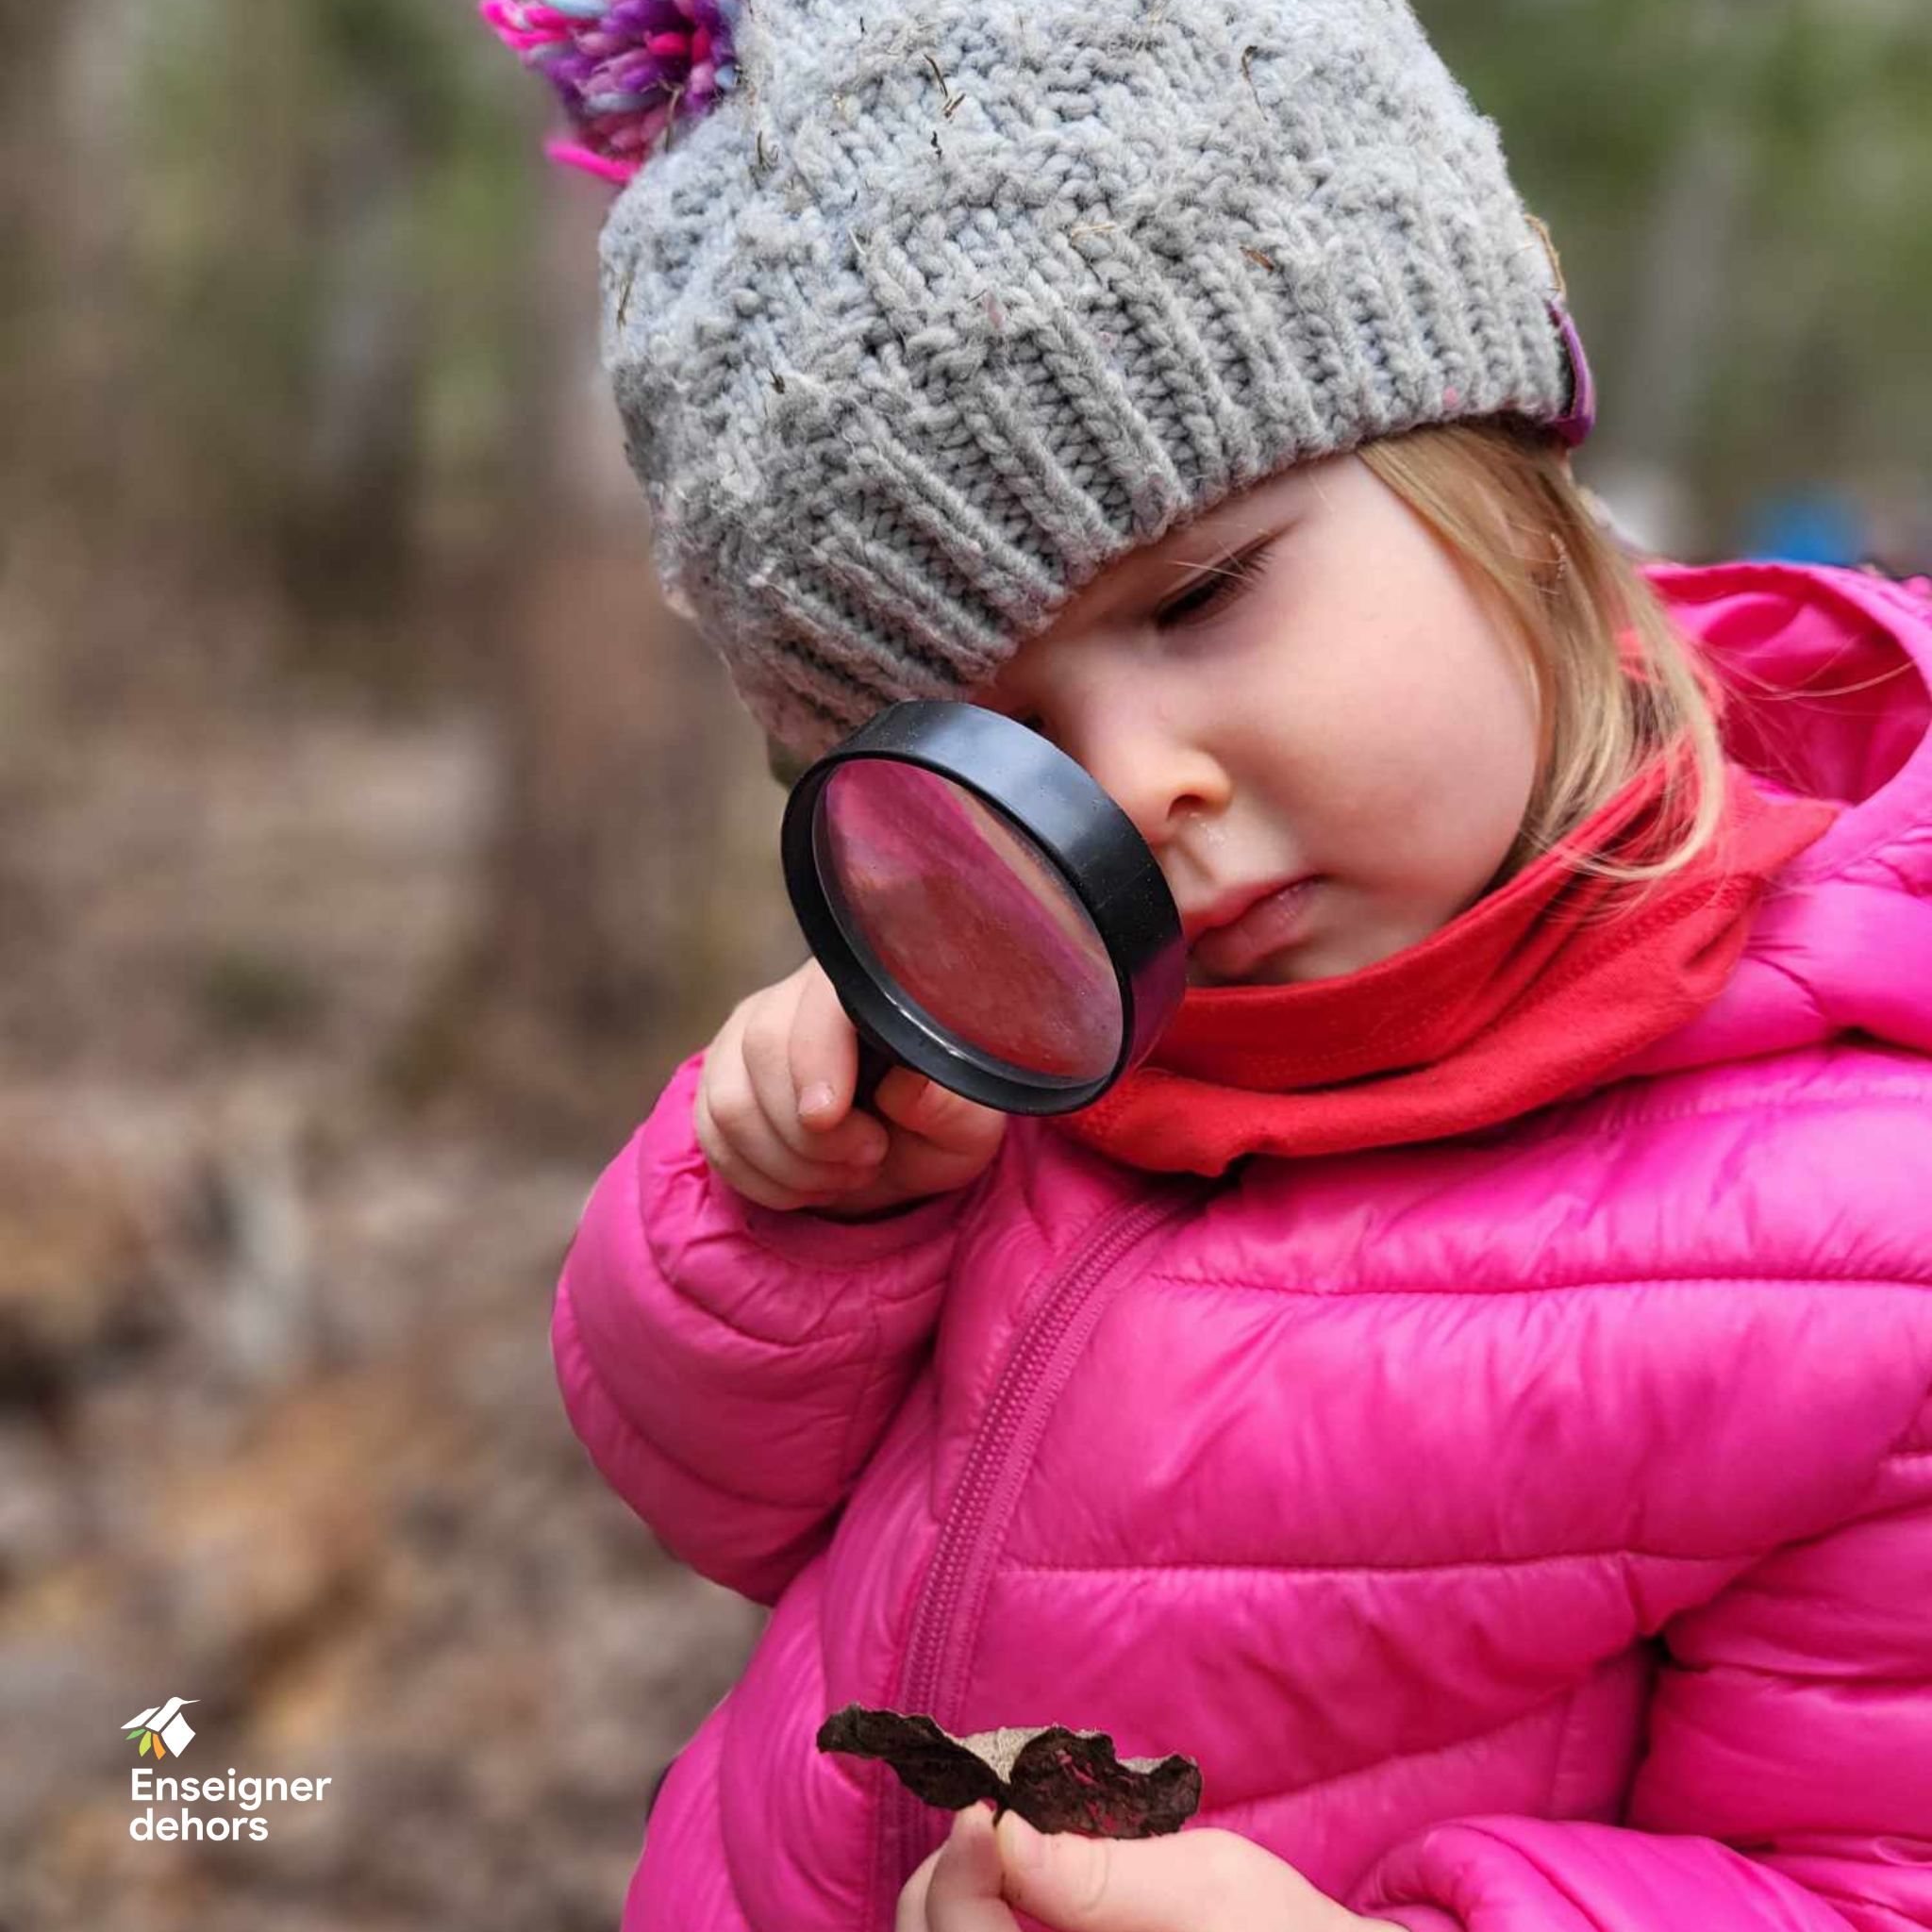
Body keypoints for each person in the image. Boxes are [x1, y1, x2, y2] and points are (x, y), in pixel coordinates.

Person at [483, 3, 1932, 1927]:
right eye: (980, 745)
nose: (1129, 796)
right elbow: (725, 1497)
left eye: (1200, 595)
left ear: (1490, 476)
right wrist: (791, 1213)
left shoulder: (1864, 1232)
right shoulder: (1025, 1052)